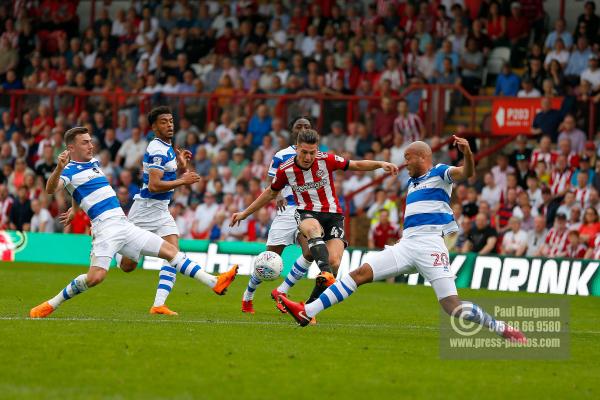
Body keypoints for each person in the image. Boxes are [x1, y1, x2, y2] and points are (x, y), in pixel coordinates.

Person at [276, 137, 526, 343]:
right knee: (359, 273)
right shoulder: (412, 183)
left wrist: (468, 154)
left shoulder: (440, 173)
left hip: (430, 247)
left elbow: (466, 173)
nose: (404, 163)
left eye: (408, 158)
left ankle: (500, 327)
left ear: (422, 157)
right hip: (407, 245)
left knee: (452, 306)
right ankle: (307, 312)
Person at [30, 127, 238, 319]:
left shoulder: (93, 163)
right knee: (95, 278)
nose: (91, 145)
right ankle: (51, 304)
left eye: (90, 141)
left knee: (170, 251)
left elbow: (78, 190)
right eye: (85, 142)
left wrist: (75, 210)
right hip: (105, 229)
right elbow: (51, 189)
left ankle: (214, 282)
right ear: (71, 148)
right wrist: (58, 167)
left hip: (124, 224)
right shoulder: (68, 170)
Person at [231, 128, 399, 309]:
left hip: (333, 215)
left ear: (317, 149)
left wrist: (380, 163)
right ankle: (324, 274)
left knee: (334, 262)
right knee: (312, 230)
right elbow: (270, 193)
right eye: (304, 152)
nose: (308, 157)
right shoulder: (286, 169)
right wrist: (244, 213)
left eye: (312, 152)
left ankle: (309, 309)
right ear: (296, 149)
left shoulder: (326, 159)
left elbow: (356, 165)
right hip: (306, 212)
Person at [117, 106, 211, 315]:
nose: (169, 125)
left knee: (173, 255)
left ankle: (159, 304)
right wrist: (183, 180)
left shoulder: (166, 146)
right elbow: (153, 185)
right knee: (127, 266)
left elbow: (164, 175)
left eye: (170, 120)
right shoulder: (158, 149)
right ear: (153, 127)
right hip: (145, 210)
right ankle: (110, 237)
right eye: (163, 122)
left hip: (161, 210)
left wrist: (179, 164)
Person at [240, 116, 314, 315]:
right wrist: (279, 194)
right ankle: (247, 296)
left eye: (307, 126)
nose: (303, 129)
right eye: (299, 126)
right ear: (292, 131)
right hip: (286, 211)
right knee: (268, 261)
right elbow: (272, 180)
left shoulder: (316, 155)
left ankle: (282, 292)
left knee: (310, 252)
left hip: (307, 212)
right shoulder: (282, 155)